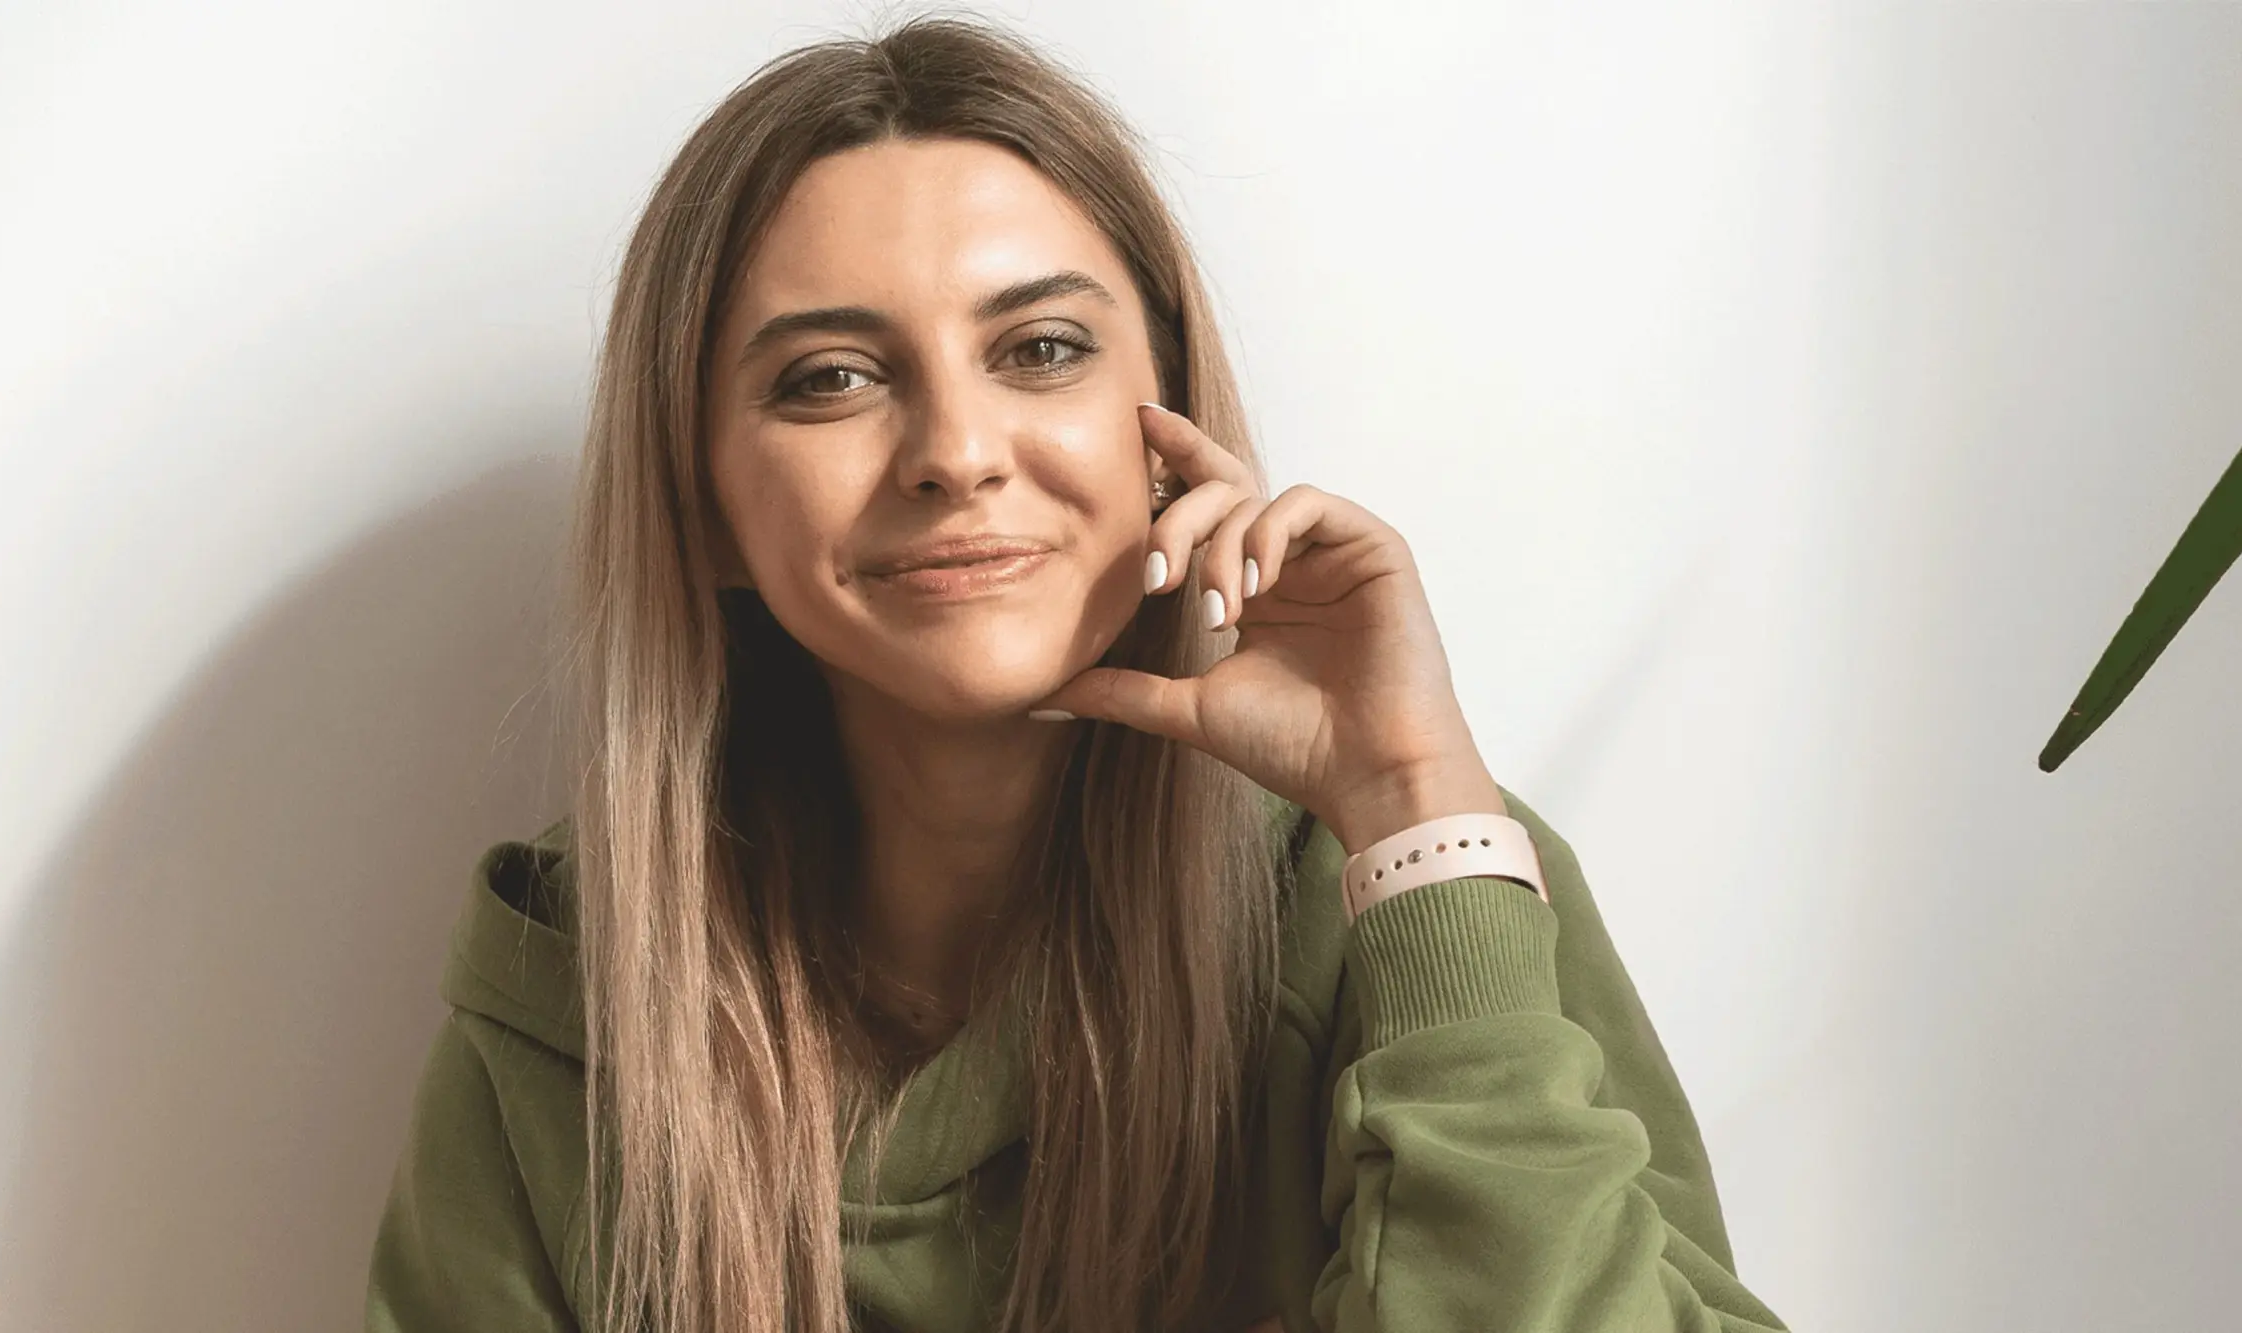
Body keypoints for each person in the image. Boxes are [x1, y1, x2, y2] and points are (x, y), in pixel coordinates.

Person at [365, 16, 1788, 1333]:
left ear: (1168, 424)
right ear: (705, 510)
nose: (956, 453)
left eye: (1041, 350)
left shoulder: (1409, 880)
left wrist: (1416, 799)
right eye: (831, 377)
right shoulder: (573, 1002)